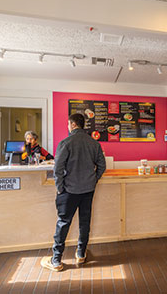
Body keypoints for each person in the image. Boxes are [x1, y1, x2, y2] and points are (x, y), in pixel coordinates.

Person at [41, 113, 106, 272]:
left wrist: (59, 187)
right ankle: (81, 253)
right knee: (85, 222)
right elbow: (102, 166)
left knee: (63, 222)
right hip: (88, 190)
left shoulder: (66, 142)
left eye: (68, 124)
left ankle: (56, 260)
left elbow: (58, 168)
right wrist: (93, 180)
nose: (68, 127)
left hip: (68, 190)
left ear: (72, 124)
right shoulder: (94, 143)